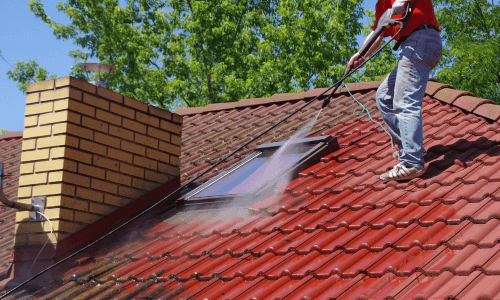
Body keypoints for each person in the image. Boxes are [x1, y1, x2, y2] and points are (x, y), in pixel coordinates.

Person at [348, 0, 442, 181]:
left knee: (405, 101)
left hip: (421, 39)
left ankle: (412, 162)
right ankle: (409, 147)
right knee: (384, 96)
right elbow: (379, 32)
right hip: (412, 45)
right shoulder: (382, 4)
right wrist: (360, 55)